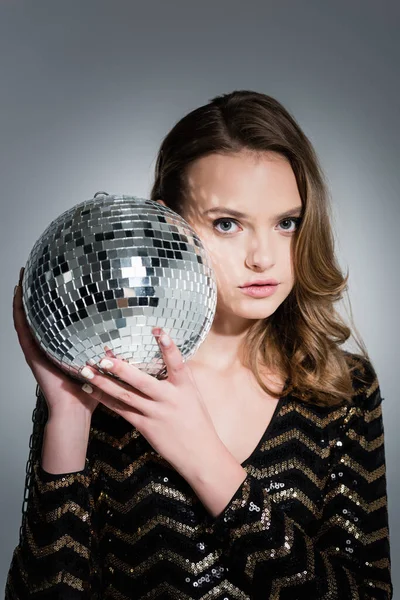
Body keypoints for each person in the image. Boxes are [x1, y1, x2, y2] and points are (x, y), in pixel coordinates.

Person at [5, 90, 393, 599]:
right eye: (227, 224)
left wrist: (204, 458)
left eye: (286, 223)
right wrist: (69, 421)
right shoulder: (106, 380)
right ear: (169, 224)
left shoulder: (343, 387)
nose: (263, 257)